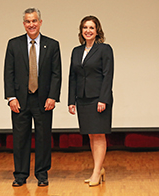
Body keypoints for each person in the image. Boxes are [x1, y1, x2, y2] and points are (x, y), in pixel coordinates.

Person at [4, 8, 62, 187]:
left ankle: (42, 174)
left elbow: (56, 74)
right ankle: (20, 175)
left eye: (34, 21)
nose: (31, 24)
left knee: (44, 138)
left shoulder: (52, 45)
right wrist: (11, 97)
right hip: (20, 100)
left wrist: (53, 96)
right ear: (24, 24)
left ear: (40, 22)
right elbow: (9, 72)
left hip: (43, 100)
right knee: (20, 138)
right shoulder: (14, 44)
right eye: (28, 21)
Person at [68, 16, 114, 187]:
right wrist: (71, 100)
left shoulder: (104, 49)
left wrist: (103, 99)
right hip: (82, 99)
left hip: (98, 99)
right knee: (91, 135)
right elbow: (72, 77)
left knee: (99, 134)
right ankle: (98, 169)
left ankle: (96, 171)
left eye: (91, 27)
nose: (88, 30)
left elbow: (108, 75)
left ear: (97, 31)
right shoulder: (76, 51)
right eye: (85, 27)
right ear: (81, 31)